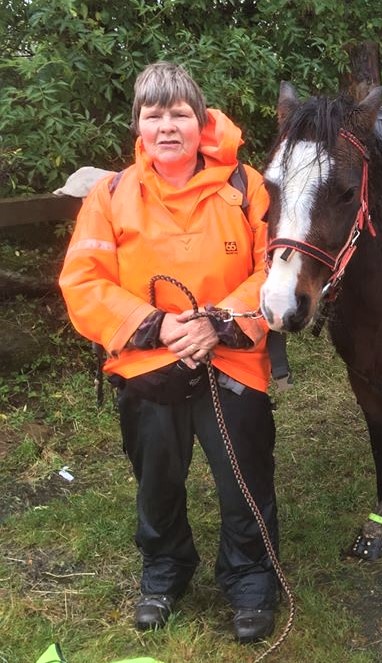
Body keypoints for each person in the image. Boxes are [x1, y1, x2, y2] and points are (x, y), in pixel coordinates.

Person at [59, 62, 279, 643]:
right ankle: (163, 572)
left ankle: (251, 580)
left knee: (244, 481)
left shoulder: (246, 187)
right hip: (149, 363)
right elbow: (83, 281)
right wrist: (155, 327)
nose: (167, 125)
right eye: (153, 114)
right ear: (138, 124)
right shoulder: (109, 196)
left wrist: (217, 323)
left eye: (179, 113)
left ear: (201, 121)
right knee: (157, 480)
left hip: (231, 360)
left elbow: (274, 273)